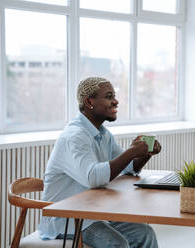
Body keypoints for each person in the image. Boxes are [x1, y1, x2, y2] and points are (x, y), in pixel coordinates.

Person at [38, 77, 161, 248]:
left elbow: (128, 168)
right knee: (118, 244)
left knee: (145, 233)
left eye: (114, 96)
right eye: (109, 97)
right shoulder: (74, 136)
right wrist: (131, 152)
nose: (116, 101)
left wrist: (145, 153)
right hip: (68, 219)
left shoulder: (103, 134)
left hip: (92, 213)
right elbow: (93, 177)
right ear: (89, 102)